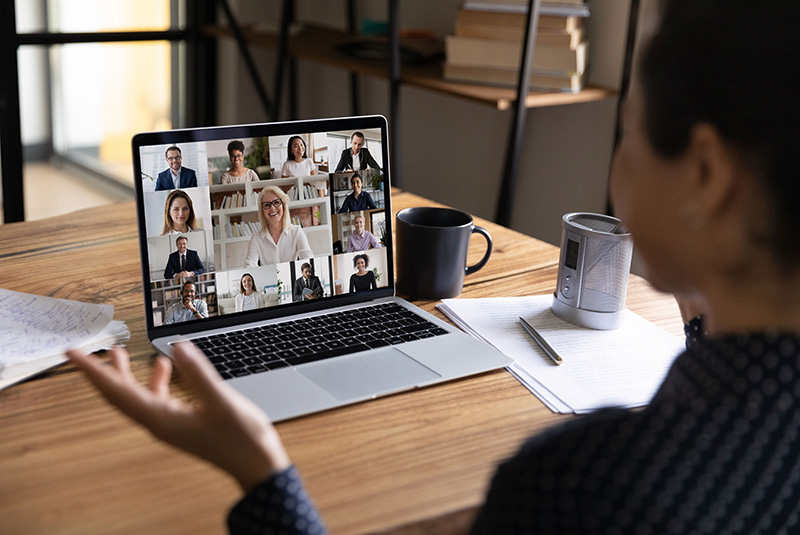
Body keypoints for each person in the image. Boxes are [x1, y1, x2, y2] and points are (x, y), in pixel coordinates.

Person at [67, 1, 800, 532]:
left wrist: (261, 467)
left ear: (706, 176)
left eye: (629, 136)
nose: (615, 172)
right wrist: (714, 278)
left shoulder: (579, 484)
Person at [244, 186, 313, 267]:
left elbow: (308, 260)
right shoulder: (256, 238)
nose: (272, 208)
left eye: (276, 202)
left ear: (283, 206)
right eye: (266, 205)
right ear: (262, 211)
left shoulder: (296, 232)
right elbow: (249, 264)